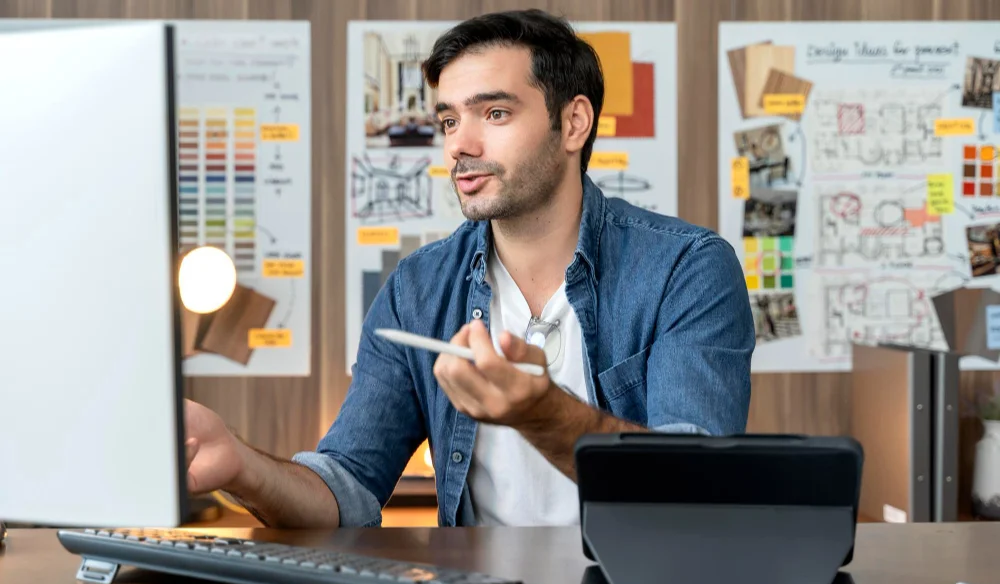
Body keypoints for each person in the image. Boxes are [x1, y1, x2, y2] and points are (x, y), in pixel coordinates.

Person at [183, 8, 755, 529]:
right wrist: (241, 465)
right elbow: (347, 490)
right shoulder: (417, 288)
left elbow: (695, 490)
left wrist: (543, 413)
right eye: (450, 120)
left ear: (574, 123)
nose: (460, 144)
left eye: (495, 112)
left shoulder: (687, 268)